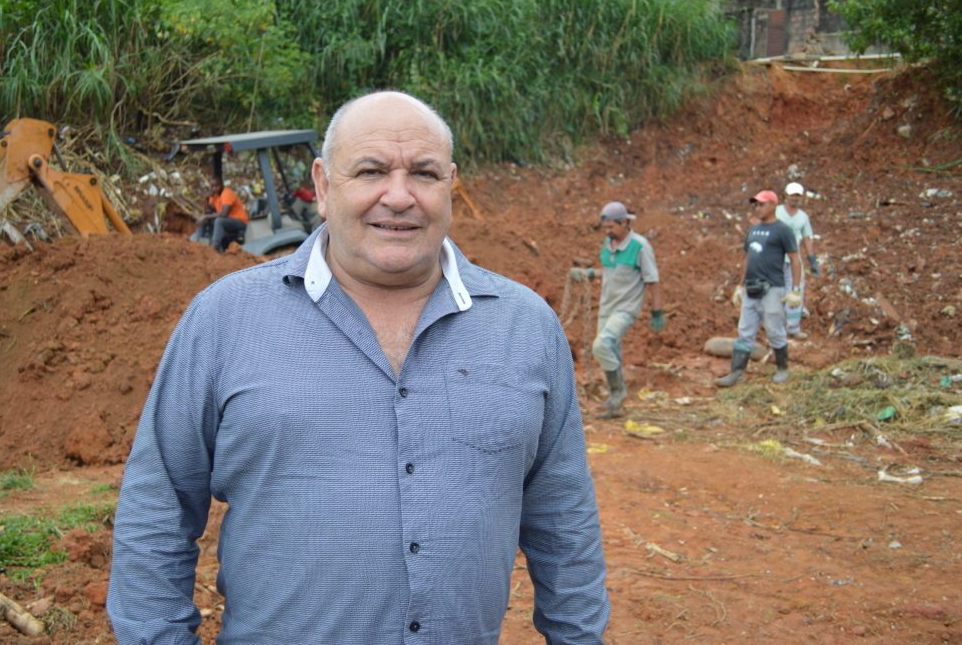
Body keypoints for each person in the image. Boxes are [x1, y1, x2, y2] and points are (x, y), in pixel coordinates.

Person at [108, 91, 610, 644]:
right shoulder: (224, 320)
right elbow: (157, 509)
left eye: (424, 173)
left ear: (450, 186)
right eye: (371, 171)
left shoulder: (526, 327)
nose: (399, 196)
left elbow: (564, 522)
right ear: (323, 186)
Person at [570, 201, 664, 418]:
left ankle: (618, 392)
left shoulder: (640, 247)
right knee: (612, 351)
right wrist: (588, 274)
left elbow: (653, 280)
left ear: (624, 223)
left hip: (626, 308)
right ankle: (616, 404)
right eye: (605, 228)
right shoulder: (608, 243)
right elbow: (609, 271)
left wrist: (657, 311)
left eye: (611, 227)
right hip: (607, 307)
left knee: (602, 345)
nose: (607, 231)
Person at [716, 190, 802, 387]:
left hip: (772, 288)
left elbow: (795, 260)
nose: (757, 208)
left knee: (774, 329)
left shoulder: (783, 230)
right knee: (745, 330)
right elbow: (748, 259)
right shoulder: (753, 230)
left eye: (761, 204)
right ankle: (736, 373)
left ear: (773, 205)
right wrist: (740, 285)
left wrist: (795, 289)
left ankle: (782, 368)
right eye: (755, 204)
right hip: (751, 288)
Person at [776, 181, 819, 339]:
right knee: (776, 292)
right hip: (775, 257)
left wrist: (812, 259)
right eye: (792, 195)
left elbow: (807, 238)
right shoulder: (776, 212)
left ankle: (793, 328)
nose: (795, 199)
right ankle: (775, 327)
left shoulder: (802, 217)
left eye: (798, 196)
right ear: (786, 196)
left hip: (793, 259)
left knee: (796, 290)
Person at [189, 177, 249, 252]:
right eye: (212, 186)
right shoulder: (214, 195)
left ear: (221, 185)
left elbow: (224, 214)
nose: (214, 188)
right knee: (204, 221)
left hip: (239, 221)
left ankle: (214, 247)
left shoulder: (227, 193)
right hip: (226, 220)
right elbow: (208, 212)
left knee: (219, 221)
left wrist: (205, 216)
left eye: (216, 186)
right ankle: (199, 244)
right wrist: (206, 199)